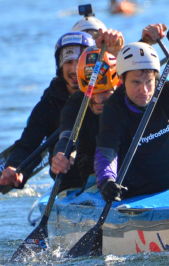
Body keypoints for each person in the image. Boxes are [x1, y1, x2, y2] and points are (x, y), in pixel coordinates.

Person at [94, 25, 169, 202]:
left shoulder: (166, 91)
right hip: (141, 200)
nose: (144, 90)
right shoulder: (114, 109)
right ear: (121, 80)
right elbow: (107, 151)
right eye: (135, 82)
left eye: (149, 82)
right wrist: (106, 181)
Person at [0, 31, 95, 188]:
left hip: (104, 178)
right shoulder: (50, 102)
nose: (75, 69)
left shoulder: (104, 95)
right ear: (59, 65)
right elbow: (29, 142)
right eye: (68, 62)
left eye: (80, 62)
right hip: (69, 183)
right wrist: (15, 167)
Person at [50, 29, 123, 190]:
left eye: (104, 91)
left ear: (116, 84)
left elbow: (150, 78)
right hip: (90, 178)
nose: (97, 100)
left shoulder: (128, 93)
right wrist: (62, 155)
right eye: (92, 92)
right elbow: (67, 137)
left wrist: (119, 52)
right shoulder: (76, 104)